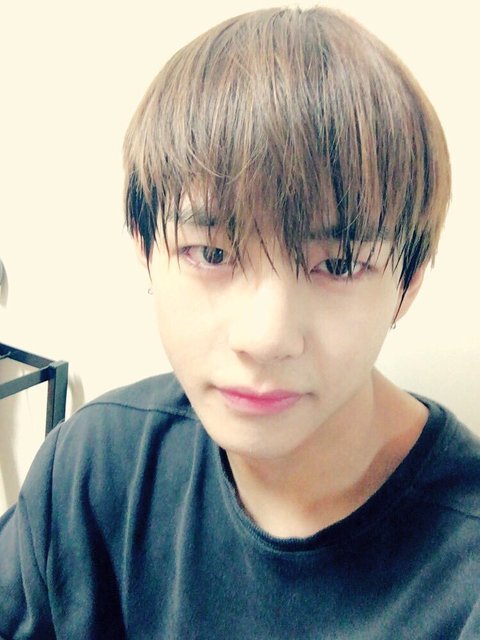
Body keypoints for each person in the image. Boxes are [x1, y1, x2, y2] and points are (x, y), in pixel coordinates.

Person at [1, 6, 479, 639]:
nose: (266, 338)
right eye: (212, 254)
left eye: (338, 263)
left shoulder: (463, 574)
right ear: (145, 247)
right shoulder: (91, 471)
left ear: (408, 283)